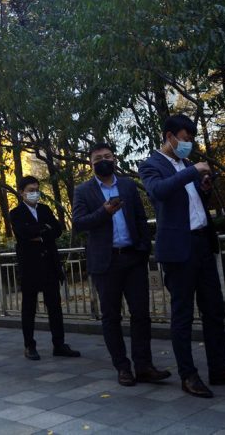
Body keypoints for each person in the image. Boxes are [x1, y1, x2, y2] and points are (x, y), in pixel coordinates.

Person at [139, 117, 225, 398]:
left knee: (214, 309)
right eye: (184, 138)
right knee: (183, 314)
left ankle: (219, 368)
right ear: (169, 136)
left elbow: (190, 204)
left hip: (203, 243)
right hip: (179, 249)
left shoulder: (187, 165)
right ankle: (188, 375)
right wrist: (191, 174)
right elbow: (158, 192)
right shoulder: (150, 164)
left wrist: (202, 188)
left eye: (191, 139)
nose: (188, 144)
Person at [73, 143, 170, 387]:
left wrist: (143, 247)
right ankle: (122, 367)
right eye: (98, 157)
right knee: (111, 317)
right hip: (105, 262)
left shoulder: (127, 185)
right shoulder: (83, 191)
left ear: (114, 159)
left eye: (108, 156)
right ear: (91, 163)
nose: (104, 160)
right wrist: (104, 212)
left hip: (132, 258)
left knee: (141, 314)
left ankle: (144, 366)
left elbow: (140, 217)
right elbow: (79, 223)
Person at [10, 175, 80, 361]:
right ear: (22, 192)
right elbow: (23, 234)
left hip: (49, 264)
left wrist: (40, 233)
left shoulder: (45, 209)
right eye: (30, 190)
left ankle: (59, 343)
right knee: (29, 307)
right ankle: (29, 345)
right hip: (30, 266)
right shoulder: (15, 213)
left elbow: (57, 230)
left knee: (55, 306)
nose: (34, 193)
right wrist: (43, 231)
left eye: (36, 190)